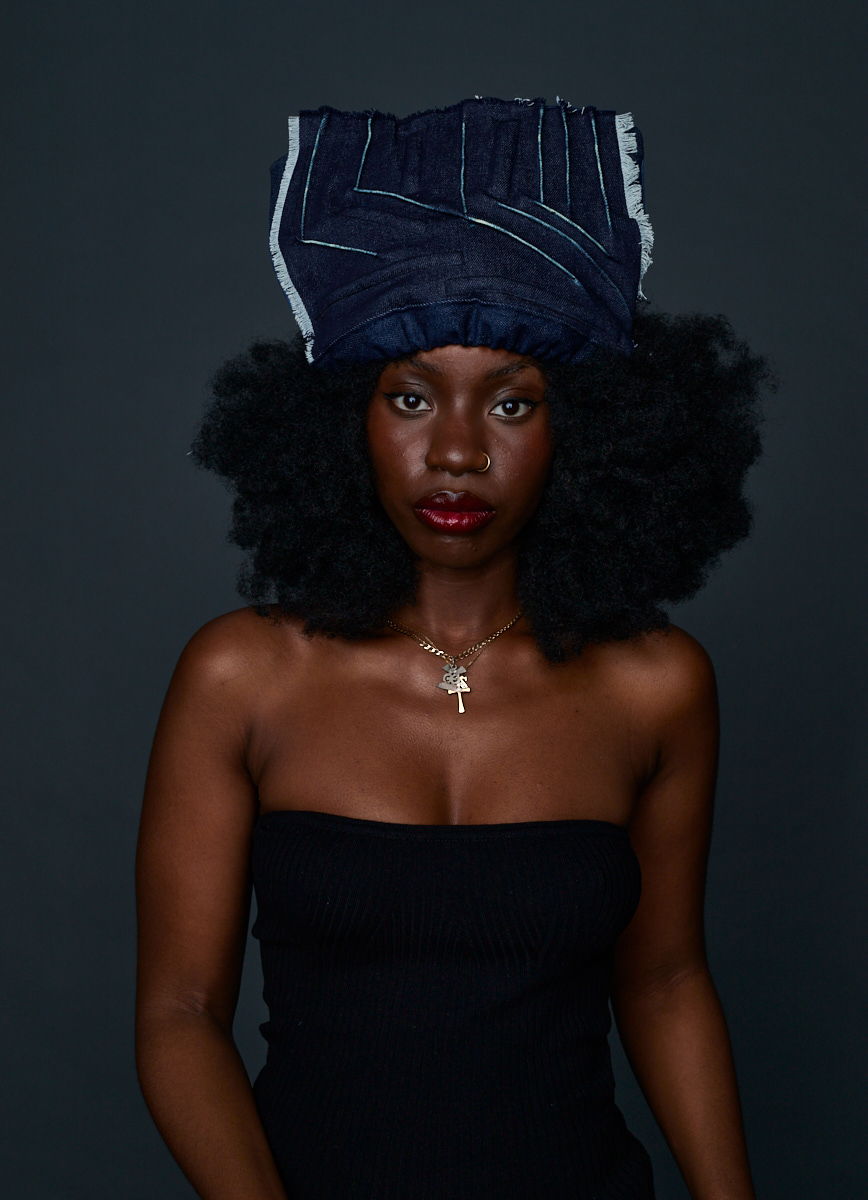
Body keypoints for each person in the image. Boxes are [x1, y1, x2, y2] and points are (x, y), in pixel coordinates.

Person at [135, 98, 770, 1200]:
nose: (459, 451)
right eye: (411, 397)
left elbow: (666, 980)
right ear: (345, 422)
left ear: (588, 435)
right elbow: (180, 1011)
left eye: (513, 405)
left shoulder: (655, 686)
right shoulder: (244, 676)